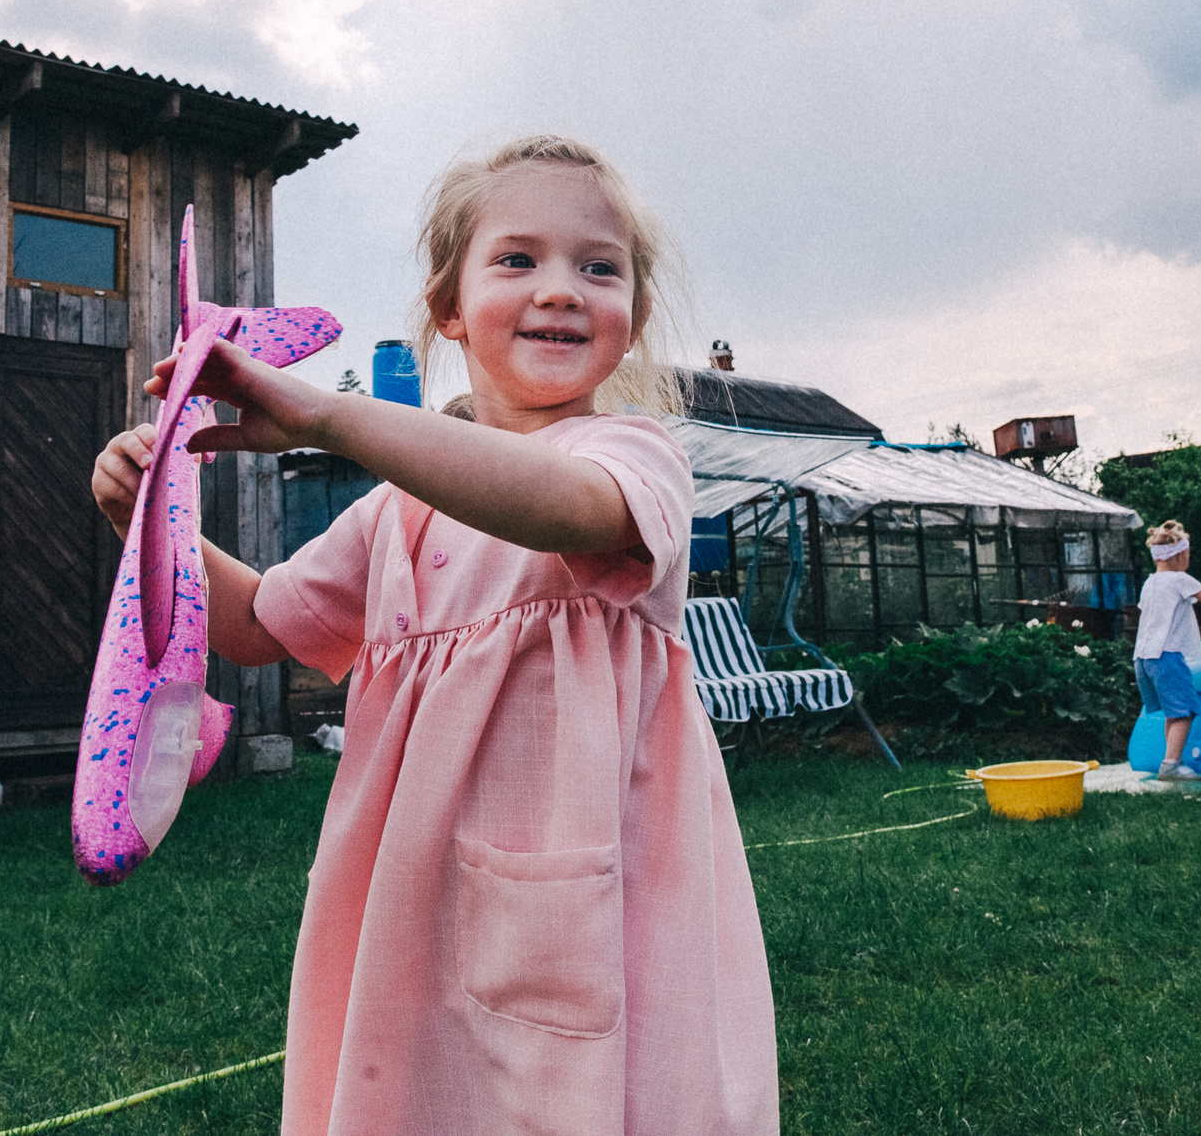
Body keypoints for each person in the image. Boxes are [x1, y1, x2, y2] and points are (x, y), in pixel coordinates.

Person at [89, 135, 776, 1136]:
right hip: (413, 902)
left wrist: (332, 418)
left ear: (629, 327)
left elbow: (559, 507)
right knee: (418, 1091)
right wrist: (151, 524)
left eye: (600, 267)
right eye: (517, 259)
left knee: (593, 1094)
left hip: (601, 902)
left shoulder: (631, 454)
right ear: (448, 308)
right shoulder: (395, 517)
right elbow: (252, 626)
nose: (560, 289)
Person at [1133, 520, 1201, 780]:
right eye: (1188, 555)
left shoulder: (1150, 583)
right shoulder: (1180, 579)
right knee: (1184, 712)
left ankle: (1169, 761)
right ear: (1180, 554)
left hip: (1142, 659)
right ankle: (1171, 765)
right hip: (1166, 656)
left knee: (1173, 712)